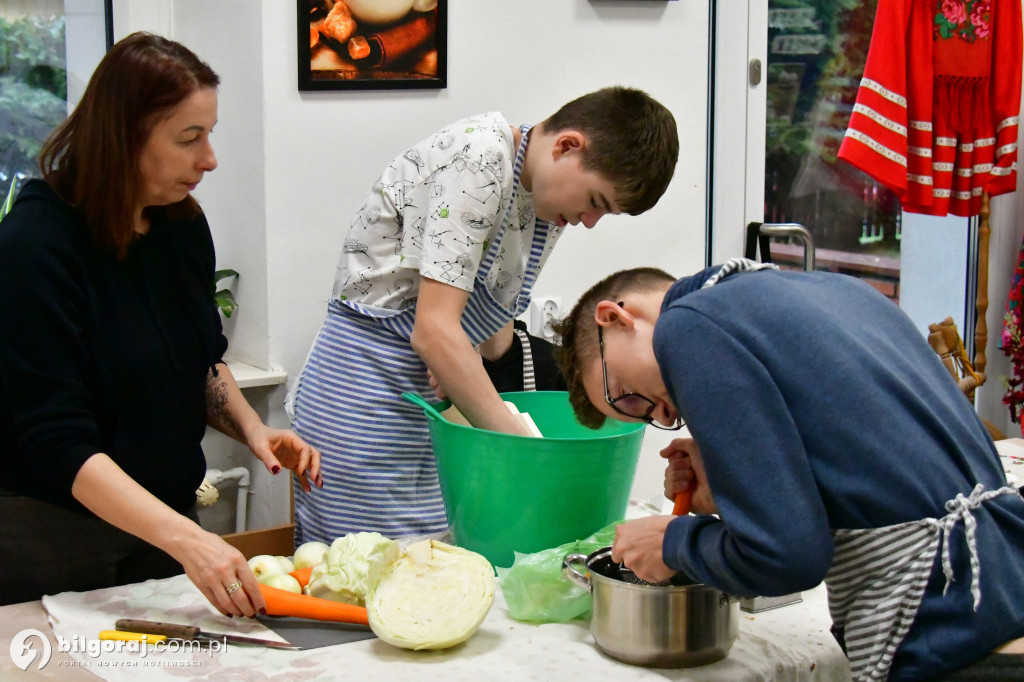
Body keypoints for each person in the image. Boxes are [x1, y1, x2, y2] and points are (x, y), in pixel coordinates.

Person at [554, 259, 1024, 681]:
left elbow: (786, 558)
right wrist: (729, 492)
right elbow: (878, 472)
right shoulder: (837, 290)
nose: (660, 413)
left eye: (626, 396)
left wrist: (671, 542)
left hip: (953, 631)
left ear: (614, 318)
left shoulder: (688, 326)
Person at [0, 32, 322, 617]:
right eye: (188, 138)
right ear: (122, 138)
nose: (209, 159)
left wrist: (251, 429)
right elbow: (58, 441)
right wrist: (188, 539)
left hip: (167, 525)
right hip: (51, 536)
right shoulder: (34, 247)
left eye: (210, 134)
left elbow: (198, 360)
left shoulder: (181, 226)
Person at [286, 86, 678, 543]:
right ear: (567, 146)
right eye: (595, 201)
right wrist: (527, 451)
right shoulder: (478, 158)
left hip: (428, 413)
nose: (590, 221)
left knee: (429, 574)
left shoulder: (544, 203)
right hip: (363, 402)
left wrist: (459, 360)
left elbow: (480, 333)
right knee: (358, 577)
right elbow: (433, 332)